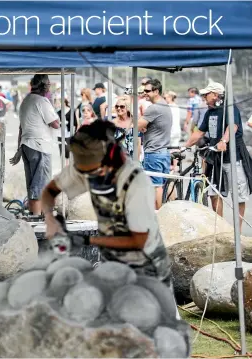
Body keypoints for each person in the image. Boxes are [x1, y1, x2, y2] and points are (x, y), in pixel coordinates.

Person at [41, 120, 173, 290]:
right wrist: (50, 218)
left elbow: (138, 240)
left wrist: (85, 240)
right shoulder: (87, 167)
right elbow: (50, 191)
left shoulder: (136, 184)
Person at [185, 82, 252, 231]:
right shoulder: (209, 112)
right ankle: (221, 230)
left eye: (206, 94)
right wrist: (184, 147)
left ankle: (237, 232)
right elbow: (199, 133)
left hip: (234, 156)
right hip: (216, 158)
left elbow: (233, 126)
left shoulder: (230, 107)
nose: (203, 97)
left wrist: (224, 140)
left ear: (215, 95)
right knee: (213, 195)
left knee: (238, 197)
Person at [10, 74, 60, 215]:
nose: (49, 88)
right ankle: (37, 218)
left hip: (27, 145)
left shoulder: (25, 101)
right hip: (40, 146)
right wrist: (54, 108)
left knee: (33, 184)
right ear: (44, 86)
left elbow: (21, 128)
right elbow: (55, 124)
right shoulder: (42, 101)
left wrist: (18, 149)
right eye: (49, 85)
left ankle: (35, 215)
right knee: (40, 186)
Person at [138, 79, 173, 209]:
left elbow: (136, 126)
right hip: (164, 152)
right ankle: (171, 211)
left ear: (156, 91)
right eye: (143, 91)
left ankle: (158, 216)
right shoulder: (165, 104)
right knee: (165, 185)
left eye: (147, 91)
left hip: (153, 153)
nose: (144, 93)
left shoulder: (153, 108)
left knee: (155, 186)